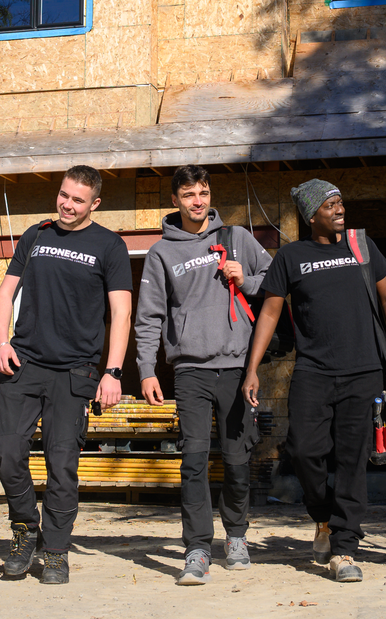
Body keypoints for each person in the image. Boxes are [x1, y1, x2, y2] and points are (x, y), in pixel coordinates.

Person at [242, 179, 386, 583]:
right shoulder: (291, 256)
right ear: (311, 215)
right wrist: (252, 368)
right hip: (313, 370)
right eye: (330, 204)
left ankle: (345, 550)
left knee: (352, 461)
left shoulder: (361, 247)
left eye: (340, 202)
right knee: (302, 451)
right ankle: (324, 518)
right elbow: (271, 314)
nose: (339, 208)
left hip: (363, 371)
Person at [0, 165, 133, 584]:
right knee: (7, 453)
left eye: (77, 200)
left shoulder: (109, 246)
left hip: (76, 371)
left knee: (62, 465)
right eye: (64, 195)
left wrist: (112, 371)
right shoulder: (36, 236)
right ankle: (23, 528)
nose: (67, 205)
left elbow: (121, 312)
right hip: (25, 363)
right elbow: (5, 292)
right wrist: (2, 341)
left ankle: (54, 550)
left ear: (95, 204)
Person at [135, 165, 272, 585]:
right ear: (175, 200)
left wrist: (246, 279)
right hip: (190, 370)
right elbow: (149, 317)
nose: (199, 201)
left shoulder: (237, 239)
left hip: (235, 367)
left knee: (236, 459)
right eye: (189, 194)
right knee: (193, 462)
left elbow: (276, 284)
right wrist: (145, 370)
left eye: (204, 192)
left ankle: (236, 536)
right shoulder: (162, 253)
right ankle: (196, 548)